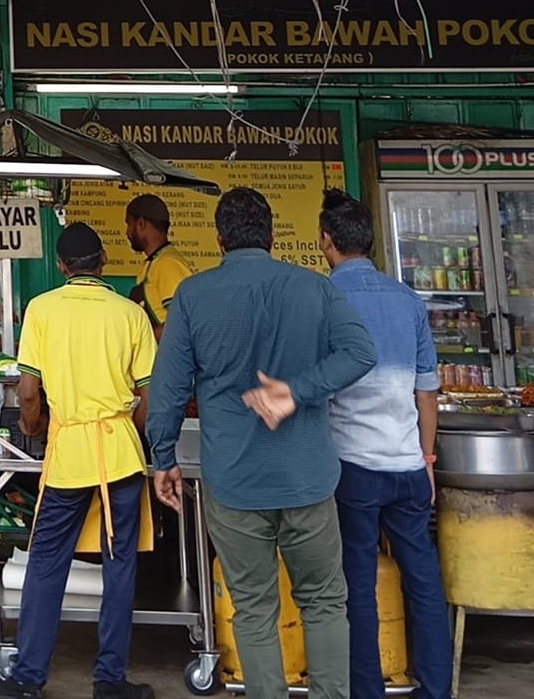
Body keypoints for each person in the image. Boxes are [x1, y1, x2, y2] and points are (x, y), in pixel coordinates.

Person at [147, 187, 376, 699]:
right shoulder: (314, 288)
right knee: (322, 602)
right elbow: (360, 352)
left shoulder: (193, 295)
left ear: (219, 238)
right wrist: (298, 390)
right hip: (308, 479)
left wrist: (163, 457)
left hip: (235, 482)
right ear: (272, 235)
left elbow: (167, 387)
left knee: (253, 607)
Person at [0, 221, 156, 699]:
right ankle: (110, 680)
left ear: (61, 266)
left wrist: (34, 427)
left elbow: (28, 390)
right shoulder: (129, 314)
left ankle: (27, 678)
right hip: (120, 455)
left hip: (68, 456)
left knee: (46, 562)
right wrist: (131, 435)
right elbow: (149, 395)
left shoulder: (42, 310)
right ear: (102, 261)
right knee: (119, 564)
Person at [319, 190, 452, 699]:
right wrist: (427, 458)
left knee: (358, 585)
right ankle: (436, 688)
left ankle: (367, 690)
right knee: (423, 578)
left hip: (353, 465)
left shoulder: (328, 299)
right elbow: (427, 390)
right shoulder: (407, 300)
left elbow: (320, 386)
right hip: (408, 465)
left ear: (326, 241)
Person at [125, 194, 192, 338]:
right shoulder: (152, 263)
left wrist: (144, 341)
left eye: (129, 224)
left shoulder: (168, 264)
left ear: (141, 223)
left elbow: (182, 321)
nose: (127, 233)